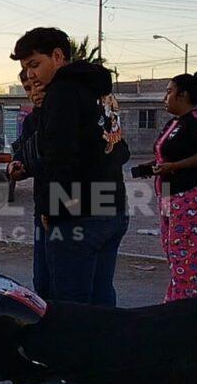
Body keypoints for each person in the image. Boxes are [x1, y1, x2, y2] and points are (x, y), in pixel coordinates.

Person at [10, 27, 129, 306]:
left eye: (34, 64)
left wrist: (52, 209)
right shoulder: (100, 92)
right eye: (26, 68)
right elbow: (119, 150)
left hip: (77, 215)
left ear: (57, 56)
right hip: (112, 208)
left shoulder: (62, 91)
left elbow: (59, 157)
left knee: (68, 303)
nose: (30, 75)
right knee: (101, 298)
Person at [153, 70, 197, 302]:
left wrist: (175, 166)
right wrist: (154, 166)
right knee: (170, 247)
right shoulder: (174, 123)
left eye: (169, 92)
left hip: (189, 191)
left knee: (183, 249)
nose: (165, 97)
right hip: (167, 192)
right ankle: (176, 296)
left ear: (183, 95)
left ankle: (183, 302)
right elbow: (167, 155)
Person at [8, 70, 49, 296]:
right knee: (42, 279)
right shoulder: (32, 121)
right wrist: (15, 167)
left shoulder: (69, 116)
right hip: (44, 206)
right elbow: (23, 155)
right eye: (28, 88)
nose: (35, 92)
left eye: (39, 85)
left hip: (72, 208)